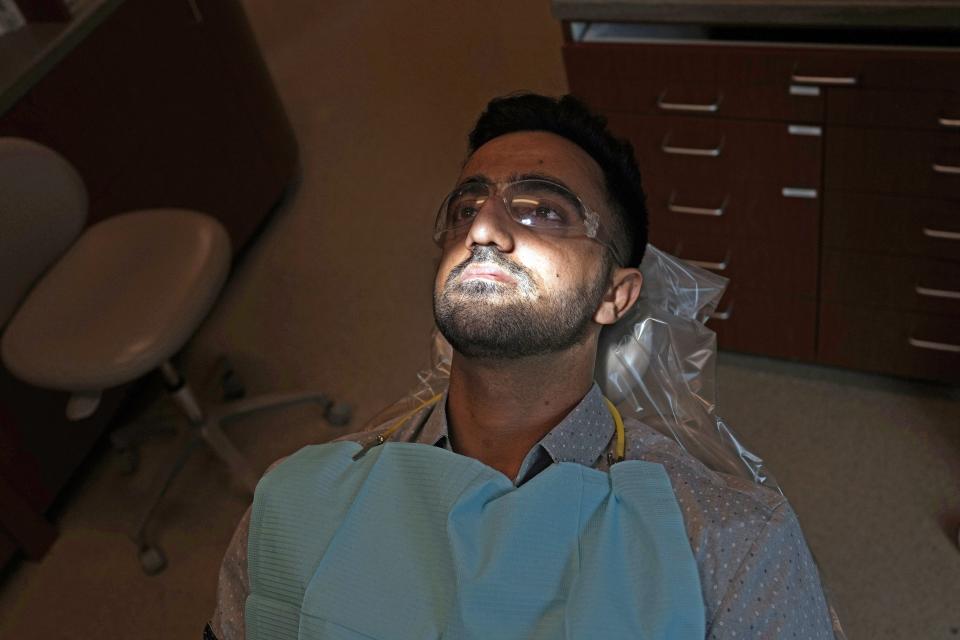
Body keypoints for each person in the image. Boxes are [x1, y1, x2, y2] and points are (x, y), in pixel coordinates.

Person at [206, 93, 836, 639]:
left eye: (543, 211)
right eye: (465, 207)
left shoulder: (729, 545)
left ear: (616, 294)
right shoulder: (293, 506)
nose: (483, 227)